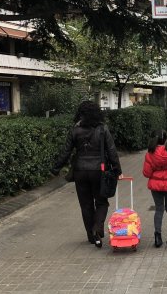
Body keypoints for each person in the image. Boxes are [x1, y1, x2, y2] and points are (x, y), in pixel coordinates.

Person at [51, 100, 121, 248]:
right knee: (102, 202)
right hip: (98, 171)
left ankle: (92, 237)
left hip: (80, 172)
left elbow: (66, 151)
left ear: (80, 113)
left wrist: (56, 168)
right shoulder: (102, 129)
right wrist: (117, 169)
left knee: (86, 205)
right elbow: (112, 151)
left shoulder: (75, 130)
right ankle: (98, 227)